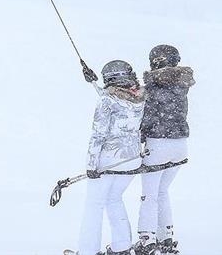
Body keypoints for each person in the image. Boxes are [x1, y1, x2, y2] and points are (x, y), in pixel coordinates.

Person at [74, 60, 146, 255]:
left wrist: (91, 165)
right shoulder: (139, 97)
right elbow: (117, 103)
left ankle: (87, 250)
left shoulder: (107, 100)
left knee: (94, 205)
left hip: (108, 160)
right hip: (131, 160)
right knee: (114, 199)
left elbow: (98, 134)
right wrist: (93, 83)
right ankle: (122, 247)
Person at [136, 45, 195, 255]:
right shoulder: (182, 84)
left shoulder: (152, 87)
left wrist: (140, 137)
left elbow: (146, 115)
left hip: (158, 142)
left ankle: (147, 239)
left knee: (149, 195)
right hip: (180, 144)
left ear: (155, 61)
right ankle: (166, 237)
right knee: (162, 192)